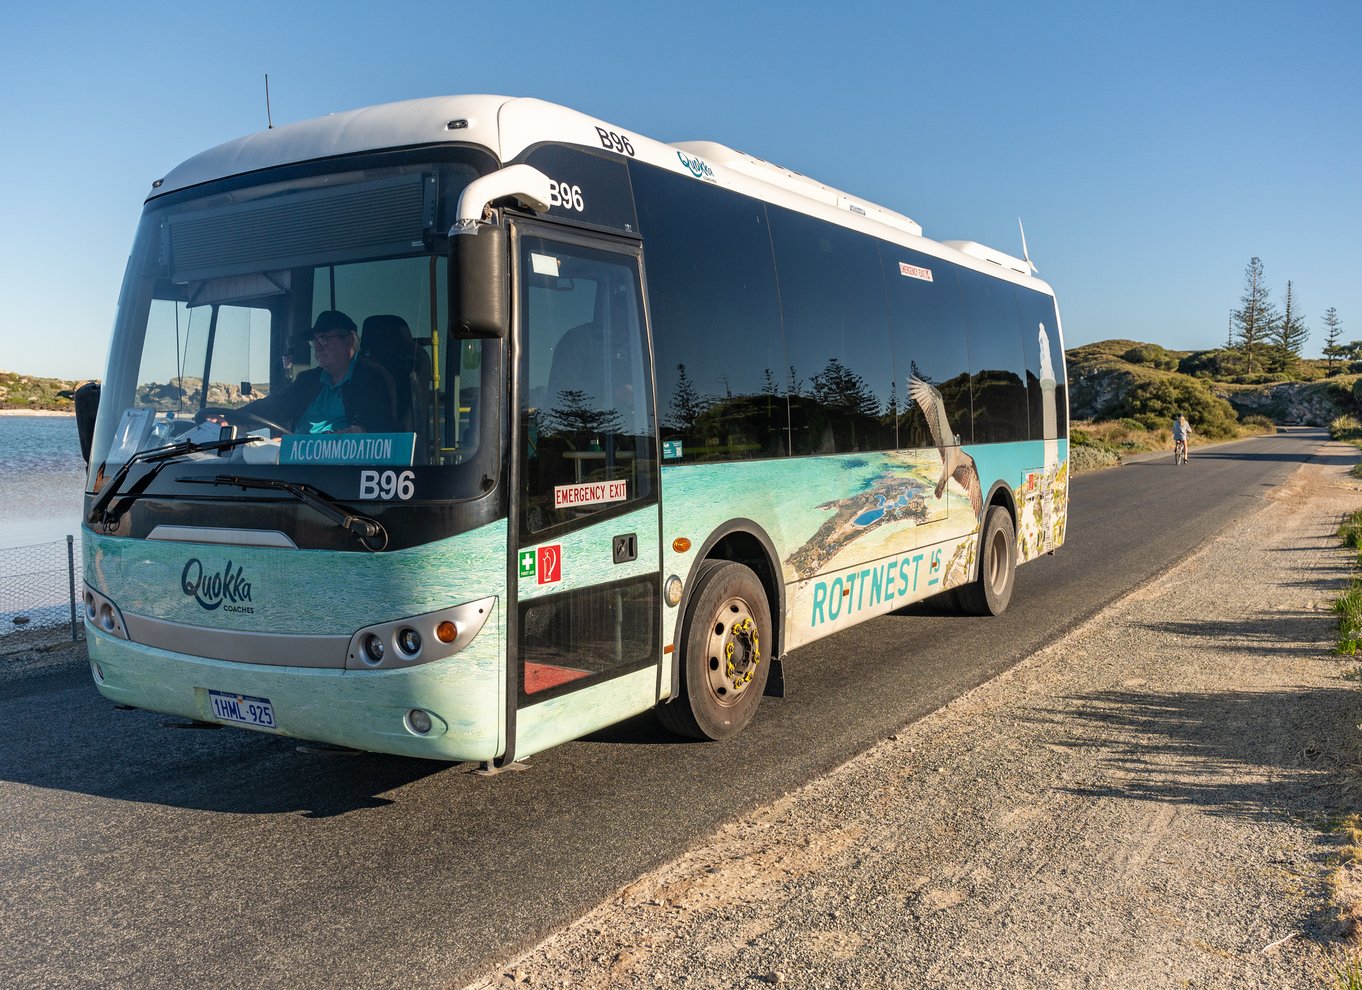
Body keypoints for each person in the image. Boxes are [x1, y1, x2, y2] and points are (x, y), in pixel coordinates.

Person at [227, 311, 397, 434]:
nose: (317, 346)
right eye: (314, 341)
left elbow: (379, 428)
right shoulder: (308, 380)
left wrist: (357, 432)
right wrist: (231, 418)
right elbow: (274, 405)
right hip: (297, 465)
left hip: (341, 471)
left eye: (324, 339)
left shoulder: (372, 379)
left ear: (348, 341)